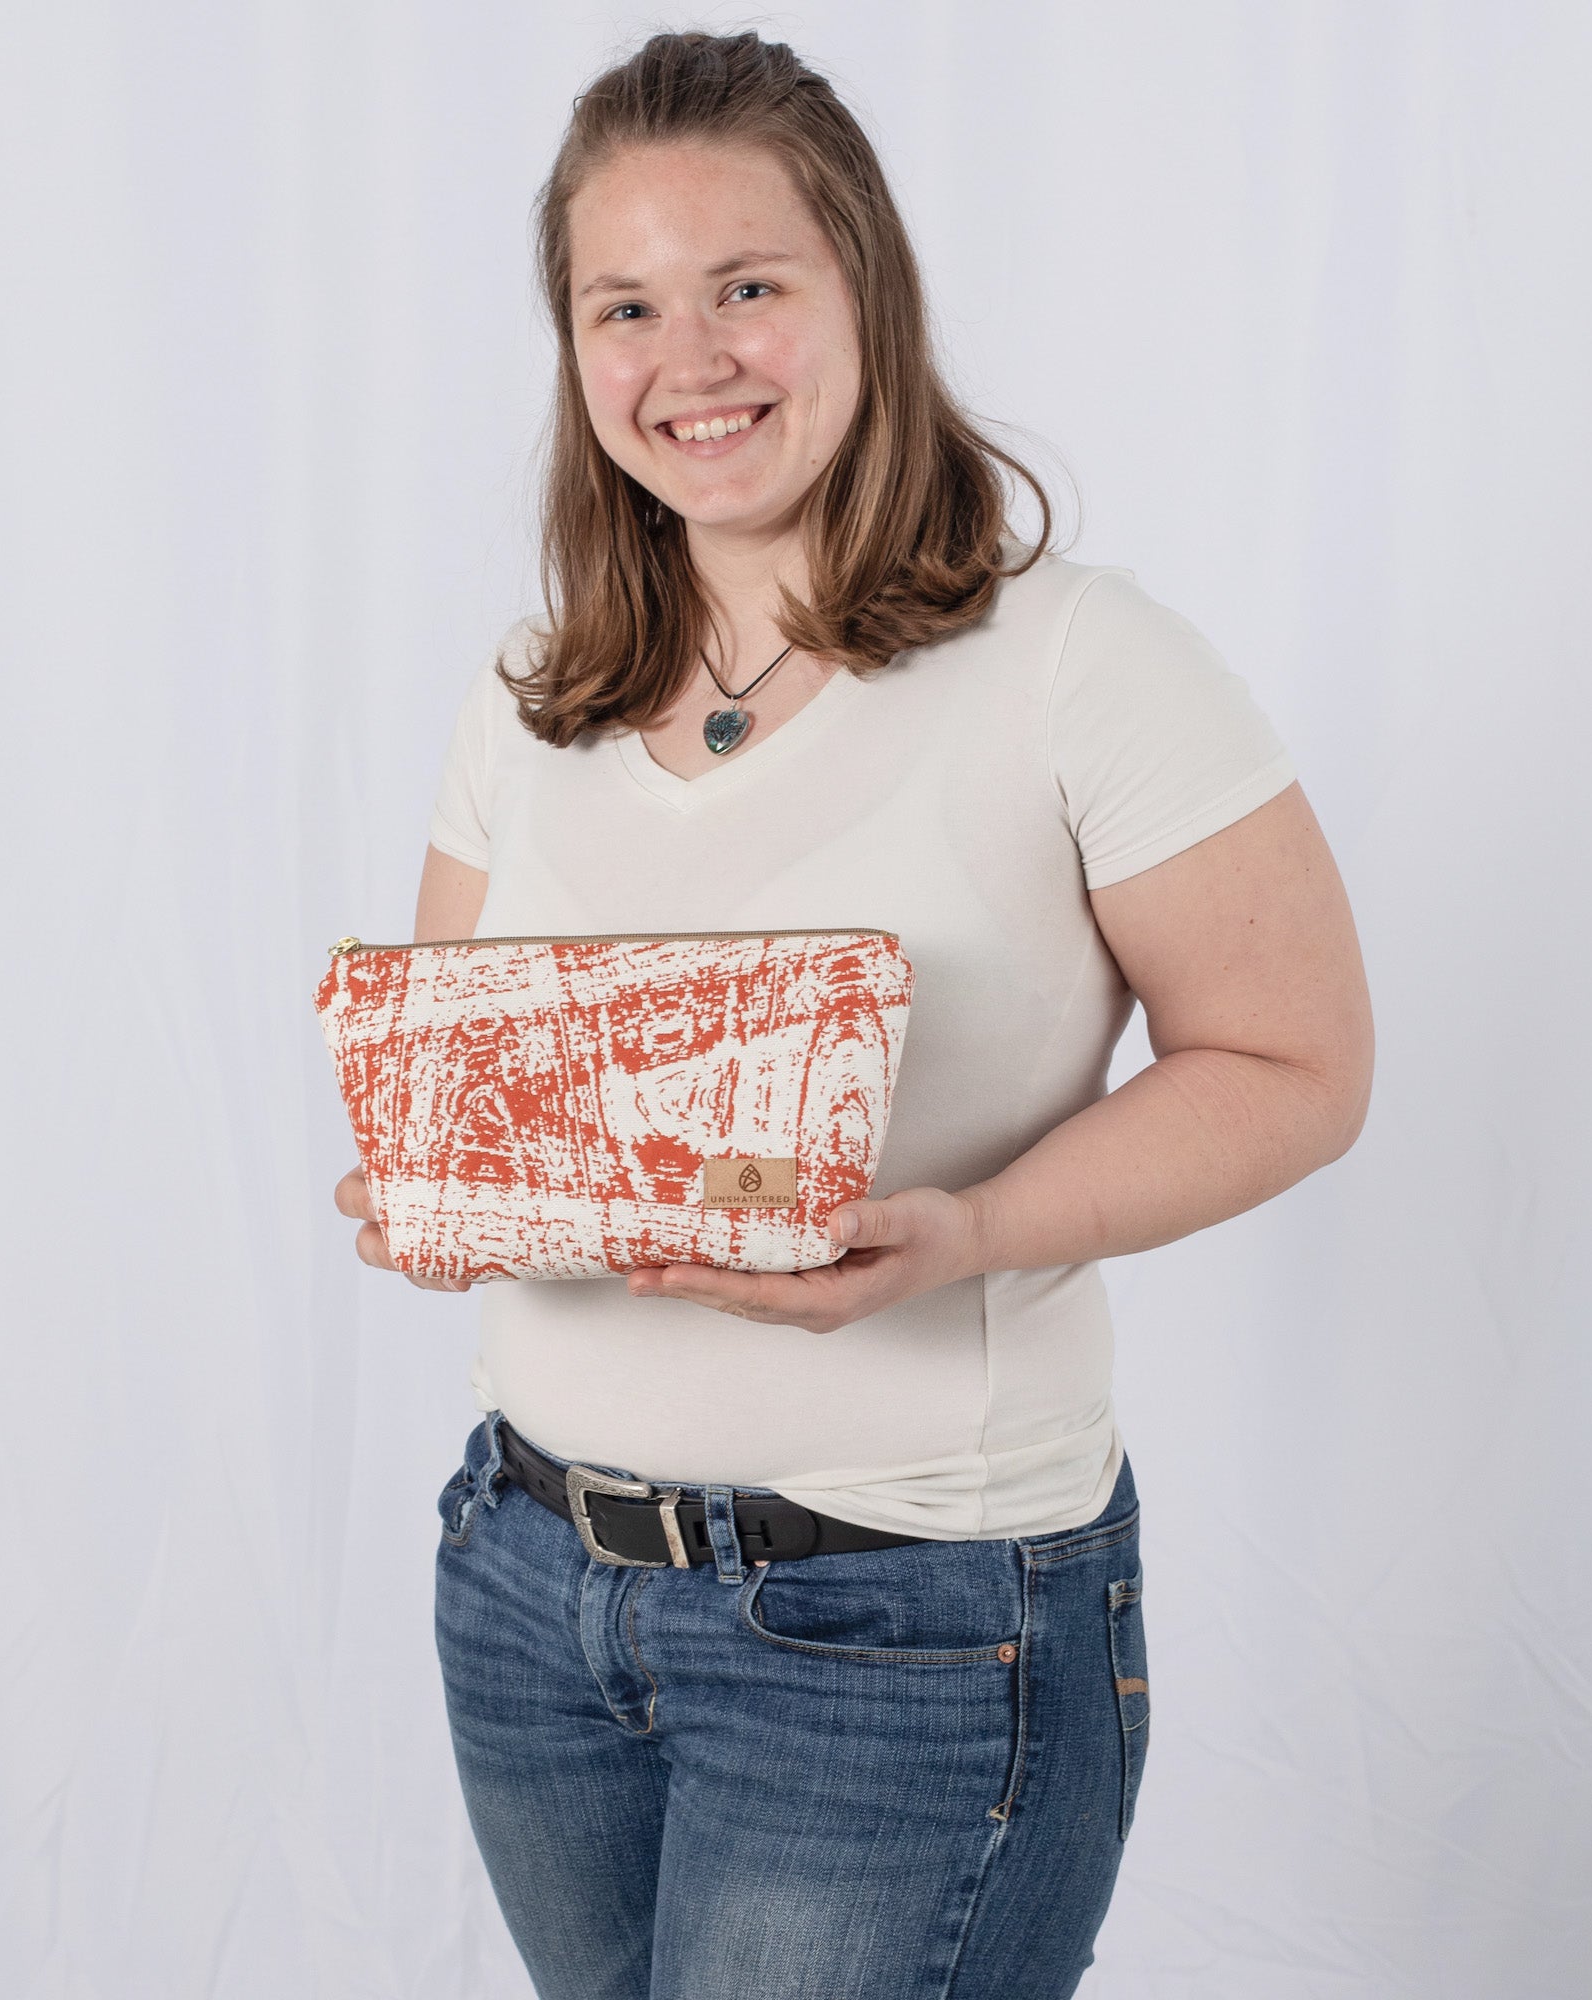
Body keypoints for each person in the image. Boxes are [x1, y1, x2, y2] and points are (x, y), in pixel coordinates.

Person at [334, 29, 1373, 1999]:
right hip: (532, 1583)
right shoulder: (533, 687)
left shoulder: (1078, 663)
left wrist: (969, 1233)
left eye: (747, 286)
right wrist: (431, 1187)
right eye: (623, 305)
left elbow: (1297, 1063)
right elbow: (476, 1079)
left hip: (901, 1621)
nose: (688, 356)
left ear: (862, 293)